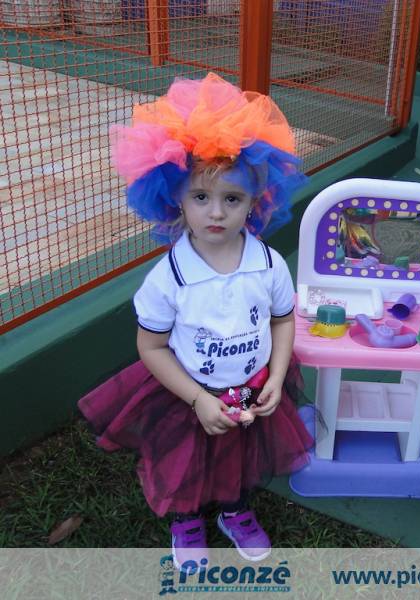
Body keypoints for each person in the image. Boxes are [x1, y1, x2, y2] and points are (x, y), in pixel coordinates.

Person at [78, 73, 312, 569]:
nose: (216, 213)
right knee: (185, 461)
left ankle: (233, 508)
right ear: (177, 201)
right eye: (201, 197)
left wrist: (275, 374)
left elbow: (282, 319)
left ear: (256, 202)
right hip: (187, 393)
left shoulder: (269, 264)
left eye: (233, 199)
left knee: (237, 456)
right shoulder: (169, 278)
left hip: (250, 386)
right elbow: (151, 347)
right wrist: (199, 399)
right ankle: (186, 519)